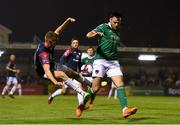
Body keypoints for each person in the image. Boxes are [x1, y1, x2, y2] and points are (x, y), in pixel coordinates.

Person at [85, 12, 137, 118]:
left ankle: (125, 110)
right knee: (95, 89)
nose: (117, 24)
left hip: (113, 62)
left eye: (118, 22)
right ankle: (82, 104)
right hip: (100, 60)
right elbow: (88, 34)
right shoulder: (103, 27)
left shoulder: (117, 31)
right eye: (115, 22)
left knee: (120, 84)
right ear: (110, 20)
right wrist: (95, 33)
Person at [34, 17, 91, 104]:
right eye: (55, 42)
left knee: (73, 73)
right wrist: (55, 82)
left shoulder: (50, 39)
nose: (56, 43)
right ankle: (83, 93)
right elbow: (47, 70)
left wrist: (67, 21)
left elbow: (58, 31)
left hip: (52, 64)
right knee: (62, 74)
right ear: (50, 42)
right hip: (43, 71)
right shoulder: (43, 53)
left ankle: (91, 84)